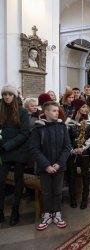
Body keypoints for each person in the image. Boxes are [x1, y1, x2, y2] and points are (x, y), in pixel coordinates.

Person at [29, 101, 71, 230]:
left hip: (59, 166)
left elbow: (67, 147)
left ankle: (57, 213)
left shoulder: (62, 127)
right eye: (53, 110)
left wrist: (58, 164)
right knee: (46, 192)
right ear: (45, 112)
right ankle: (47, 214)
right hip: (44, 167)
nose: (56, 113)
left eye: (57, 111)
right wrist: (47, 165)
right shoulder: (38, 129)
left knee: (58, 191)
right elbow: (34, 149)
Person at [0, 83, 30, 226]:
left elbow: (25, 133)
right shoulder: (0, 109)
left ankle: (15, 212)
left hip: (18, 151)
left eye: (9, 94)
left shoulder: (22, 111)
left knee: (18, 182)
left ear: (14, 95)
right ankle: (0, 211)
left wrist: (6, 146)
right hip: (4, 151)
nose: (7, 97)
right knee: (1, 181)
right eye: (4, 94)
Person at [66, 99, 90, 209]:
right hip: (72, 152)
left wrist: (83, 148)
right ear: (77, 109)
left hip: (84, 151)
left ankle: (85, 199)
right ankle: (73, 198)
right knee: (71, 175)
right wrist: (72, 150)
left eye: (86, 107)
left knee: (85, 175)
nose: (86, 109)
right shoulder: (69, 120)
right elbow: (65, 138)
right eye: (83, 107)